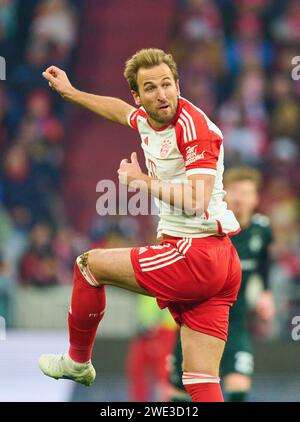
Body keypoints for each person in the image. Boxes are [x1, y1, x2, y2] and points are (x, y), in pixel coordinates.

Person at [38, 48, 241, 402]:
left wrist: (141, 181)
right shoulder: (148, 118)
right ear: (138, 95)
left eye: (167, 84)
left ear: (178, 84)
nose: (161, 94)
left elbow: (195, 200)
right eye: (151, 88)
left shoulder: (195, 129)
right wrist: (72, 93)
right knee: (200, 380)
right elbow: (120, 112)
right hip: (220, 260)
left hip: (194, 254)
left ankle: (77, 362)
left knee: (88, 266)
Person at [169, 166, 275, 402]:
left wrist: (266, 293)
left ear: (256, 198)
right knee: (180, 389)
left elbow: (264, 261)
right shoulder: (208, 225)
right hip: (196, 319)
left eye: (247, 193)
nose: (240, 198)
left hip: (235, 322)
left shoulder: (262, 229)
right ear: (224, 194)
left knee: (239, 383)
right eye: (236, 192)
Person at [126, 296, 176, 402]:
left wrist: (156, 323)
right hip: (143, 331)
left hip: (163, 329)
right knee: (136, 369)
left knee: (163, 373)